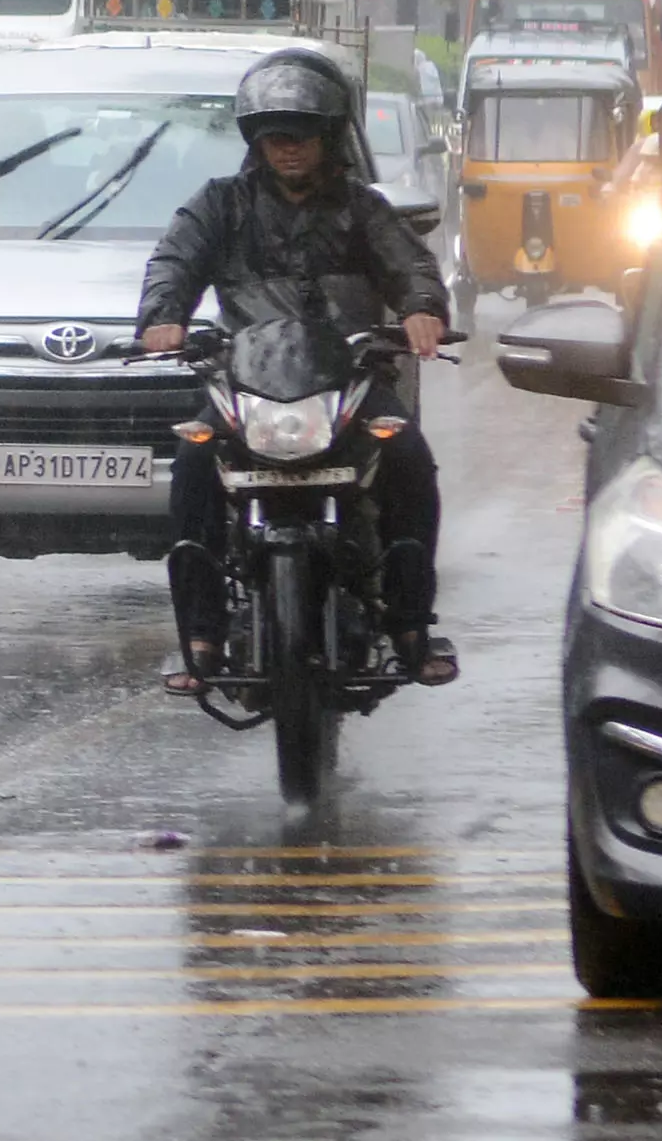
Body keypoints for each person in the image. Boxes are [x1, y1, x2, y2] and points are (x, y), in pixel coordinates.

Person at [138, 49, 458, 689]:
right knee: (195, 462)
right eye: (275, 135)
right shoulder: (219, 205)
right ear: (256, 139)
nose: (288, 148)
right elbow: (173, 260)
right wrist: (161, 315)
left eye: (303, 134)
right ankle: (200, 636)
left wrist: (423, 308)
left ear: (329, 136)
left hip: (350, 380)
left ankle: (410, 626)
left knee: (409, 458)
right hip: (247, 382)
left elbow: (412, 265)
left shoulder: (364, 209)